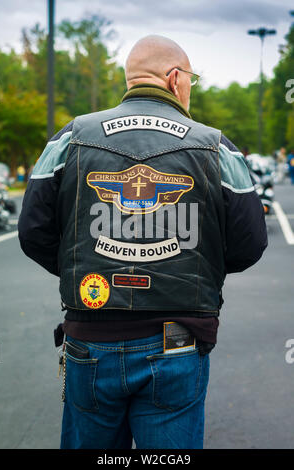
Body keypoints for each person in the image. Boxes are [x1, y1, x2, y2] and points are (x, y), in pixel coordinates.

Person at [18, 35, 268, 449]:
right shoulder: (216, 145)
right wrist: (194, 266)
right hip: (177, 340)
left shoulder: (70, 136)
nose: (190, 88)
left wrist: (84, 267)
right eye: (191, 79)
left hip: (90, 334)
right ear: (174, 79)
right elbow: (249, 243)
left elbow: (33, 231)